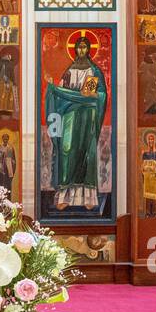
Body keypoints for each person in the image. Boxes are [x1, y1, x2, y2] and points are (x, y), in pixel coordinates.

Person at [44, 34, 107, 211]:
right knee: (67, 151)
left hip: (88, 117)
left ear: (89, 50)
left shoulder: (94, 71)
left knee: (86, 154)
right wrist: (53, 87)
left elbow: (101, 94)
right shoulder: (70, 70)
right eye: (78, 47)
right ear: (75, 50)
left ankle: (87, 198)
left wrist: (93, 95)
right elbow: (61, 91)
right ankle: (65, 196)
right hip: (70, 115)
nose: (81, 50)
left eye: (84, 47)